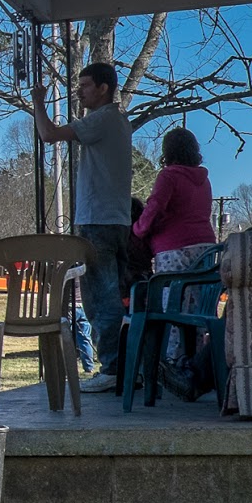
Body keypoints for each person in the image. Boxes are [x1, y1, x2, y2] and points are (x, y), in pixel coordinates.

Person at [32, 62, 133, 392]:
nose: (79, 91)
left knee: (99, 298)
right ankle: (123, 367)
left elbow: (48, 134)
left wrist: (38, 101)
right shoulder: (119, 121)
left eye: (85, 85)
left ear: (104, 88)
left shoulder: (102, 119)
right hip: (116, 219)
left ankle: (112, 369)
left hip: (97, 220)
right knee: (112, 295)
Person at [133, 127, 217, 275]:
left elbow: (155, 207)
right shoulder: (205, 180)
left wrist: (138, 229)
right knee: (201, 289)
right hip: (206, 245)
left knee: (171, 289)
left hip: (174, 246)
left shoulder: (168, 176)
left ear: (167, 152)